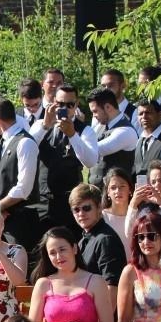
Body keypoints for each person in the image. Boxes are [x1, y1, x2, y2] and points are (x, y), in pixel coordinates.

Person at [28, 227, 115, 322]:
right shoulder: (43, 284)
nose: (58, 256)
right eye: (52, 253)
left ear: (74, 248)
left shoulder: (96, 281)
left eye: (62, 249)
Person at [31, 83, 98, 236]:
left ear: (76, 104)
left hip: (69, 201)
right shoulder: (40, 124)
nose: (65, 109)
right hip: (42, 200)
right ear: (53, 102)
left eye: (70, 105)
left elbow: (90, 161)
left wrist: (73, 135)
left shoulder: (85, 130)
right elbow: (27, 148)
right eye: (60, 104)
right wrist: (45, 126)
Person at [0, 98, 43, 256]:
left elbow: (24, 188)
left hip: (21, 220)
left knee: (18, 263)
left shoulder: (25, 143)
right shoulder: (0, 145)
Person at [71, 184, 126, 305]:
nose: (81, 213)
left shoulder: (106, 240)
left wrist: (104, 317)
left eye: (86, 208)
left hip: (101, 313)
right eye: (76, 209)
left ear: (99, 207)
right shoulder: (84, 240)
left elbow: (112, 287)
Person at [87, 86, 138, 187]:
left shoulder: (126, 131)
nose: (94, 116)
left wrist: (72, 134)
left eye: (95, 111)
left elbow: (92, 150)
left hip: (116, 193)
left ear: (108, 107)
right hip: (97, 191)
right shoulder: (100, 126)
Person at [102, 168, 135, 256]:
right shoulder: (101, 217)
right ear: (108, 192)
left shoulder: (138, 214)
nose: (118, 191)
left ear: (130, 190)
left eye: (122, 186)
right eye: (113, 188)